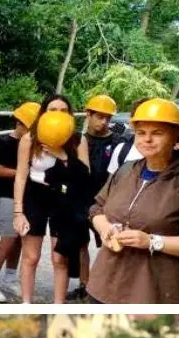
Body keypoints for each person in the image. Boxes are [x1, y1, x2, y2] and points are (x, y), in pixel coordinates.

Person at [87, 98, 179, 303]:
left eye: (157, 133)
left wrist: (152, 241)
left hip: (154, 293)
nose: (147, 139)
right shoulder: (126, 170)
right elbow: (97, 209)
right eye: (141, 133)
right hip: (105, 286)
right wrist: (105, 229)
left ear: (176, 134)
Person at [12, 95, 91, 304]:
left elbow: (85, 176)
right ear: (43, 113)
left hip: (64, 198)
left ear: (70, 114)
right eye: (52, 109)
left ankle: (59, 305)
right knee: (31, 256)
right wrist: (18, 212)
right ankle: (26, 303)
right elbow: (21, 175)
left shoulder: (77, 139)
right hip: (35, 196)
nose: (58, 114)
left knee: (59, 258)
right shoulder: (30, 138)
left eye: (63, 110)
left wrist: (62, 156)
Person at [0, 102, 38, 302]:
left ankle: (10, 277)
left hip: (24, 197)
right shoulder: (6, 142)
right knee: (7, 239)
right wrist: (24, 173)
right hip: (6, 196)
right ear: (20, 123)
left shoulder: (33, 145)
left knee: (20, 239)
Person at [70, 94, 121, 300]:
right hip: (80, 200)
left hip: (107, 202)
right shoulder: (75, 140)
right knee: (81, 244)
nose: (104, 122)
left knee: (111, 244)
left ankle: (109, 289)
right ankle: (85, 286)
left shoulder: (118, 141)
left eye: (108, 118)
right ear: (88, 114)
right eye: (100, 116)